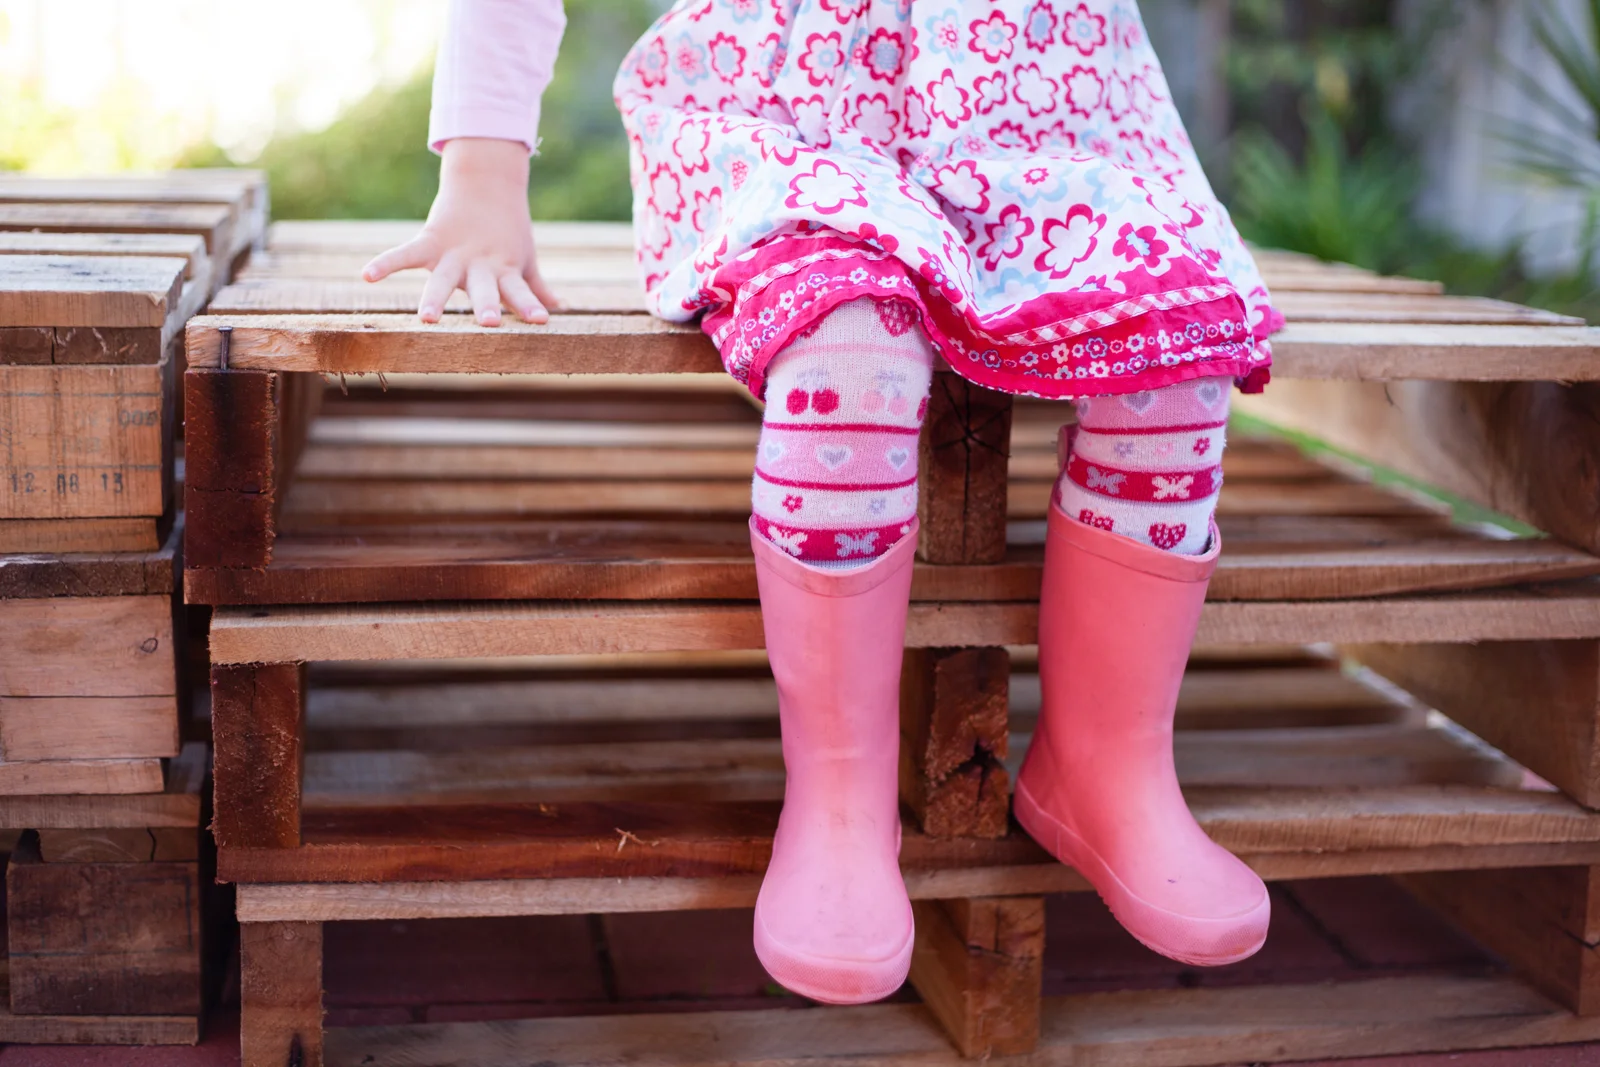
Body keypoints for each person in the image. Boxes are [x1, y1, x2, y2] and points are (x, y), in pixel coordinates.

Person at [364, 0, 1284, 1005]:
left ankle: (1109, 763)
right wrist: (483, 168)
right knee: (846, 350)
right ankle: (840, 799)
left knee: (1170, 367)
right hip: (798, 116)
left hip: (1051, 114)